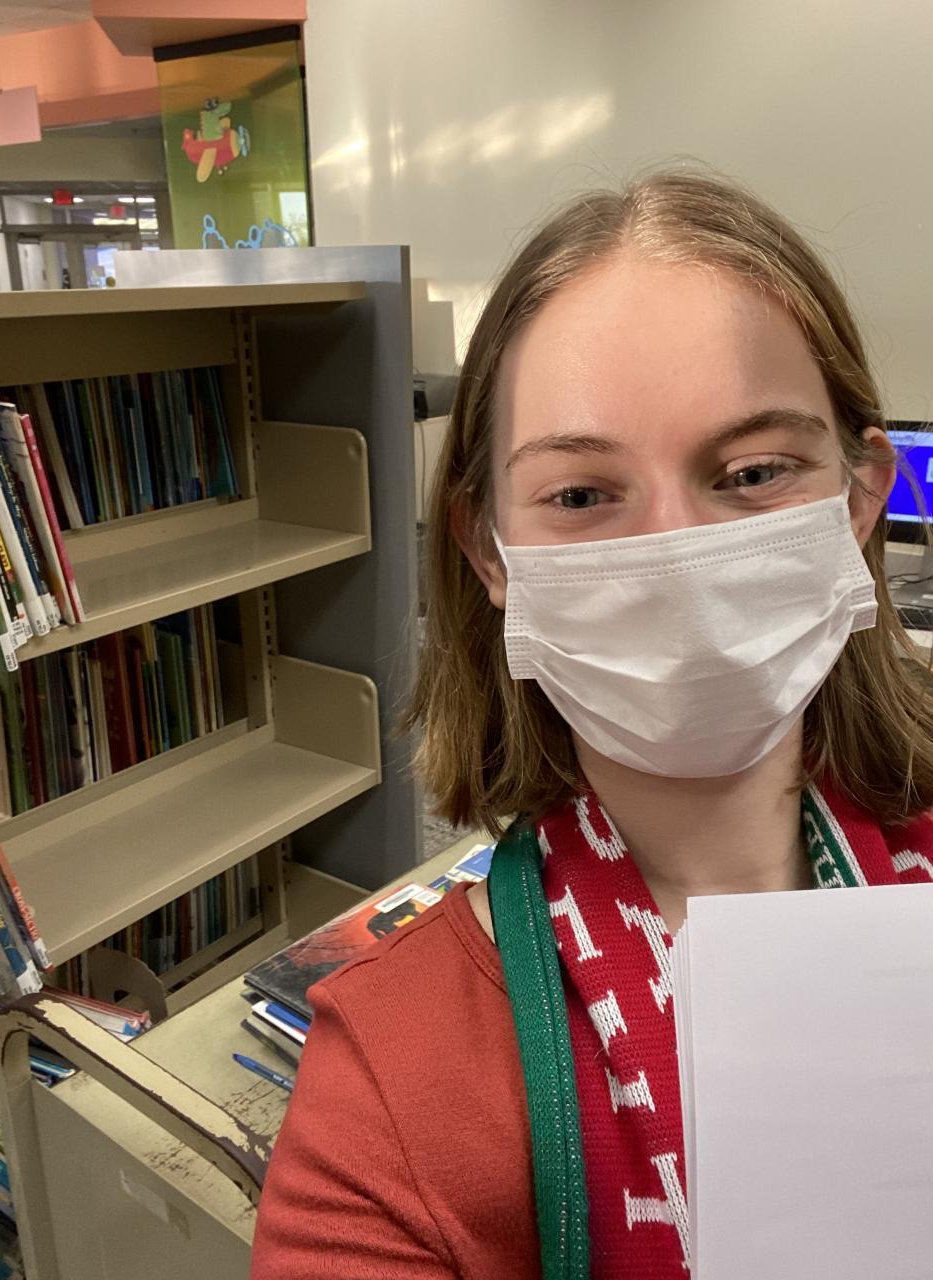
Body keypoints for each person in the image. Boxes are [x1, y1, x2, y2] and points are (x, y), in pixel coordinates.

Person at [249, 171, 933, 1279]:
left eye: (754, 472)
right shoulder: (391, 1080)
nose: (675, 554)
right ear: (488, 551)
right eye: (580, 495)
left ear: (859, 498)